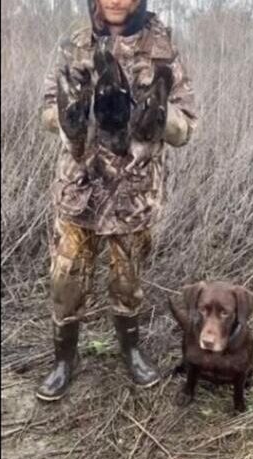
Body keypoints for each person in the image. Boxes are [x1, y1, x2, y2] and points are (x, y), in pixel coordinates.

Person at [37, 0, 197, 401]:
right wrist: (71, 113)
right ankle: (63, 361)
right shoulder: (74, 42)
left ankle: (131, 352)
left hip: (134, 191)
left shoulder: (162, 46)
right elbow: (45, 110)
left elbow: (188, 125)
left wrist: (159, 116)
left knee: (128, 281)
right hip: (79, 186)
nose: (115, 0)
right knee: (65, 278)